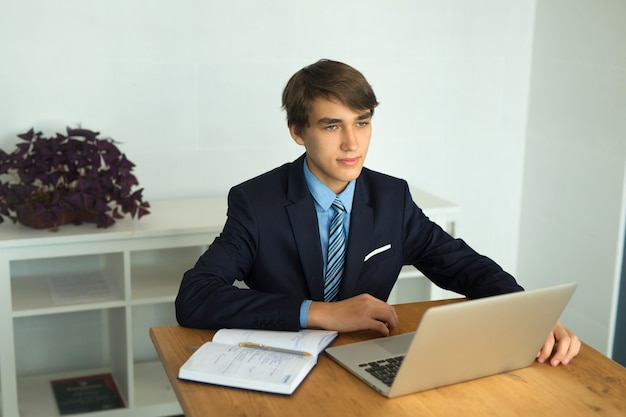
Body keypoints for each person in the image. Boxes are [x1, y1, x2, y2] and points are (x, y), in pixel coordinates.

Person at [175, 59, 580, 366]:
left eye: (362, 122)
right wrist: (322, 313)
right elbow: (195, 297)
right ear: (298, 132)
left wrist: (528, 314)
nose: (352, 143)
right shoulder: (256, 202)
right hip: (278, 361)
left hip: (364, 359)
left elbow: (462, 265)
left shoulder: (392, 198)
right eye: (332, 126)